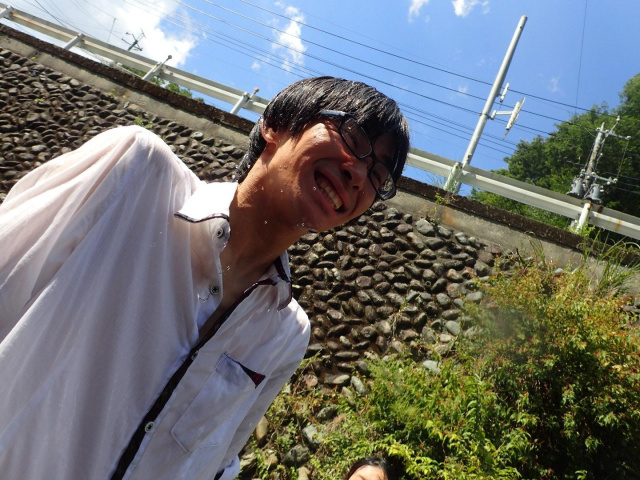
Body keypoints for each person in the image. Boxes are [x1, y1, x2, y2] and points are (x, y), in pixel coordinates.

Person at [0, 76, 409, 479]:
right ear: (275, 125)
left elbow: (216, 462)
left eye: (378, 177)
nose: (359, 175)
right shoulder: (136, 173)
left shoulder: (287, 335)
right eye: (352, 137)